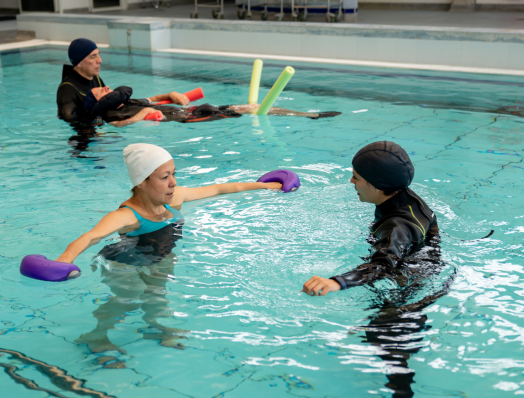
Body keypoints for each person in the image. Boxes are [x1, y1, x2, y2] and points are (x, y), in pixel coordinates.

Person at [54, 144, 288, 354]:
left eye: (174, 174)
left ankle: (157, 328)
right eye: (165, 177)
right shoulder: (127, 215)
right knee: (130, 296)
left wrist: (266, 186)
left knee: (157, 296)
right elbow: (90, 237)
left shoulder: (174, 197)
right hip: (123, 262)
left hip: (160, 257)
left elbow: (220, 189)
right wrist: (65, 259)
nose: (173, 182)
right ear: (142, 182)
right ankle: (96, 334)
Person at [301, 141, 439, 297]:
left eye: (356, 177)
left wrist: (338, 282)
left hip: (406, 290)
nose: (351, 181)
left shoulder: (397, 226)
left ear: (378, 185)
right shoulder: (402, 194)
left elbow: (383, 266)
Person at [56, 38, 189, 125]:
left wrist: (167, 95)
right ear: (79, 63)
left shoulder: (95, 78)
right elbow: (67, 119)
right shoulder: (67, 89)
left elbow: (113, 103)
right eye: (93, 56)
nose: (100, 60)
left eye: (98, 54)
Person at [83, 85, 341, 126]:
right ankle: (310, 115)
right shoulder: (112, 117)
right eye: (102, 90)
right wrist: (144, 114)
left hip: (190, 108)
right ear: (100, 101)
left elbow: (156, 99)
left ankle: (306, 114)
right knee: (250, 109)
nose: (107, 88)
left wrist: (172, 93)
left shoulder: (131, 101)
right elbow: (125, 124)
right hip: (191, 117)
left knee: (250, 104)